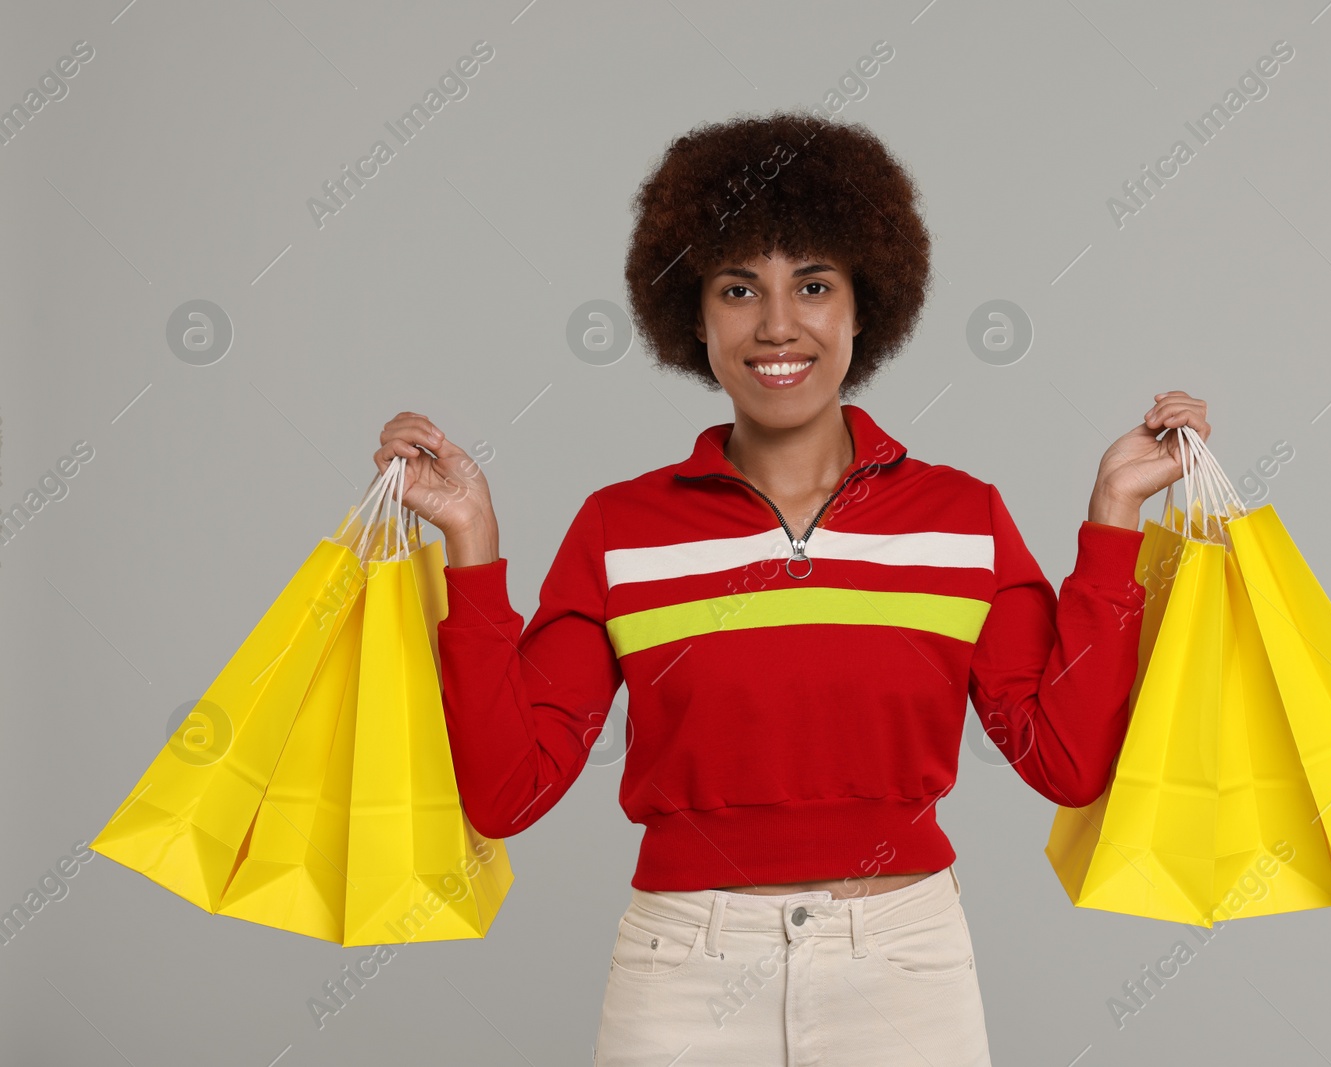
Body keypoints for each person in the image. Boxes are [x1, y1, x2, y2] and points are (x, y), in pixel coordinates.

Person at [372, 110, 1210, 1066]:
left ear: (864, 306)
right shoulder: (621, 528)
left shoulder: (962, 519)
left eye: (813, 285)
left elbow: (1067, 763)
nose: (777, 325)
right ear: (694, 314)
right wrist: (473, 546)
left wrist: (1113, 518)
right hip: (680, 973)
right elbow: (506, 790)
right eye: (740, 288)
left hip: (906, 972)